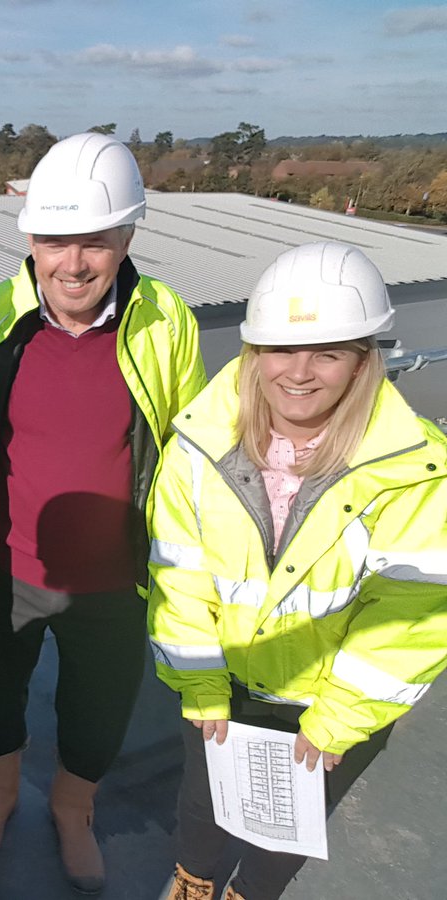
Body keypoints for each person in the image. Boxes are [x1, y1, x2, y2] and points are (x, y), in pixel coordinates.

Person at [149, 241, 447, 900]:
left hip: (326, 702)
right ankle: (195, 882)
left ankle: (246, 893)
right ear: (254, 355)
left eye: (330, 353)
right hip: (222, 682)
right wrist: (198, 684)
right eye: (281, 350)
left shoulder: (413, 472)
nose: (301, 373)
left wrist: (339, 717)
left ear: (365, 362)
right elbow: (181, 572)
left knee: (286, 826)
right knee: (203, 805)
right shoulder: (201, 446)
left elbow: (413, 616)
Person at [0, 132, 207, 893]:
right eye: (54, 241)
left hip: (115, 581)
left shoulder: (166, 320)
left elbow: (193, 455)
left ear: (128, 237)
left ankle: (73, 811)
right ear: (29, 238)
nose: (72, 262)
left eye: (94, 242)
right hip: (5, 568)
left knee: (96, 714)